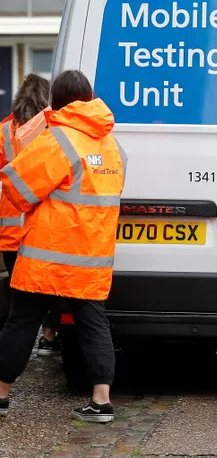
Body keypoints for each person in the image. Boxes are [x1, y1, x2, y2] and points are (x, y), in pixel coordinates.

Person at [0, 70, 126, 422]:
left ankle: (1, 392)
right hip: (93, 255)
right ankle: (101, 401)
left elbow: (17, 189)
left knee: (23, 320)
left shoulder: (57, 140)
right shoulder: (111, 144)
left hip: (48, 254)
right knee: (93, 323)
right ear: (89, 97)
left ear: (58, 100)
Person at [0, 74, 60, 355]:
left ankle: (13, 347)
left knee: (19, 296)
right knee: (49, 287)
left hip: (11, 228)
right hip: (43, 225)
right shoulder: (53, 128)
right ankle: (48, 336)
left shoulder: (4, 130)